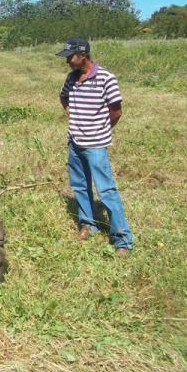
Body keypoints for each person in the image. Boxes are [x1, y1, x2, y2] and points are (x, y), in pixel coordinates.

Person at [57, 36, 134, 256]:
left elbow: (116, 110)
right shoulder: (71, 78)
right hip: (75, 143)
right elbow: (63, 98)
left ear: (83, 55)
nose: (67, 61)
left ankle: (122, 239)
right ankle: (88, 224)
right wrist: (71, 114)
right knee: (80, 186)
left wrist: (100, 129)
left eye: (70, 57)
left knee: (107, 190)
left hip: (96, 145)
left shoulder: (106, 78)